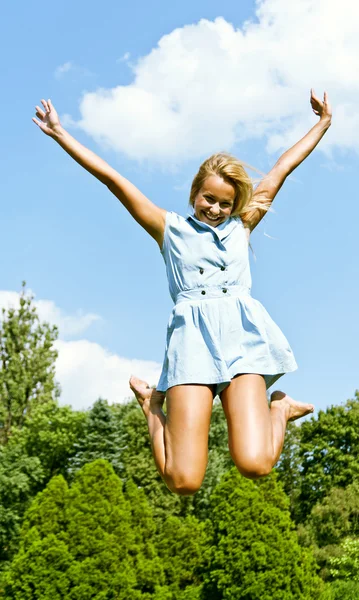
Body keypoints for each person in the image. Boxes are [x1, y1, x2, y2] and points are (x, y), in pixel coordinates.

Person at [33, 89, 332, 495]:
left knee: (256, 465)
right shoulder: (168, 228)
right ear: (195, 193)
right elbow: (113, 180)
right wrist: (61, 134)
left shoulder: (241, 226)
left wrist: (322, 124)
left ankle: (279, 407)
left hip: (243, 344)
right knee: (183, 481)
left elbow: (282, 168)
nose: (215, 209)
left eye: (225, 203)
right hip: (193, 347)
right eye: (209, 198)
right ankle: (150, 404)